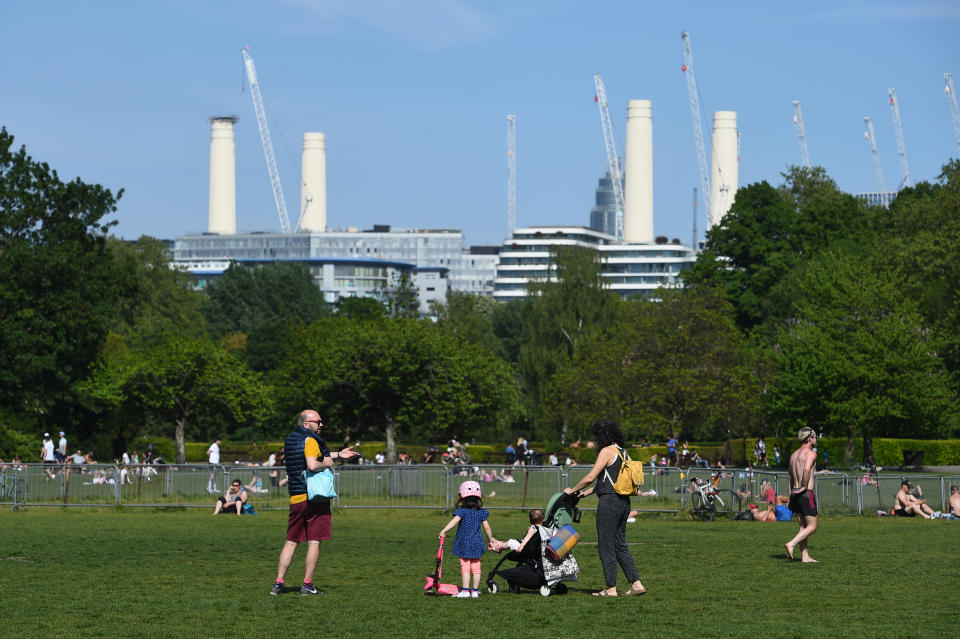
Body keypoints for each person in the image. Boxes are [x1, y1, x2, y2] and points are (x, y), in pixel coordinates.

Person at [270, 410, 358, 596]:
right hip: (313, 497)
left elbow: (309, 456)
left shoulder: (292, 439)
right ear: (306, 424)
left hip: (296, 497)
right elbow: (312, 463)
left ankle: (278, 583)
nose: (321, 424)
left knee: (291, 541)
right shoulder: (310, 440)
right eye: (318, 421)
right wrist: (328, 463)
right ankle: (307, 585)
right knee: (314, 541)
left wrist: (338, 454)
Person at [564, 420, 646, 597]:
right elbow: (608, 480)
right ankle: (636, 584)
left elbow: (591, 477)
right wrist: (585, 494)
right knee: (620, 545)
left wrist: (572, 489)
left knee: (605, 546)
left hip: (609, 503)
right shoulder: (624, 453)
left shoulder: (607, 451)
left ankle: (610, 588)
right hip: (624, 503)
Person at [438, 481, 498, 598]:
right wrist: (491, 540)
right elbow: (487, 527)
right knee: (476, 568)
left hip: (465, 543)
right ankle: (475, 591)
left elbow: (454, 522)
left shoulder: (462, 511)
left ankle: (465, 591)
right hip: (477, 543)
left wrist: (444, 530)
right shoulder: (481, 512)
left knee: (465, 567)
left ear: (462, 497)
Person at [785, 427, 819, 562]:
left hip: (794, 493)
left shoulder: (793, 455)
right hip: (805, 493)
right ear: (809, 438)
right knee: (812, 526)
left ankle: (805, 556)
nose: (816, 439)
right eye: (815, 437)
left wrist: (789, 496)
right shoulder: (811, 454)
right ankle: (791, 544)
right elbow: (806, 469)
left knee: (803, 527)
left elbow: (789, 477)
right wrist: (804, 486)